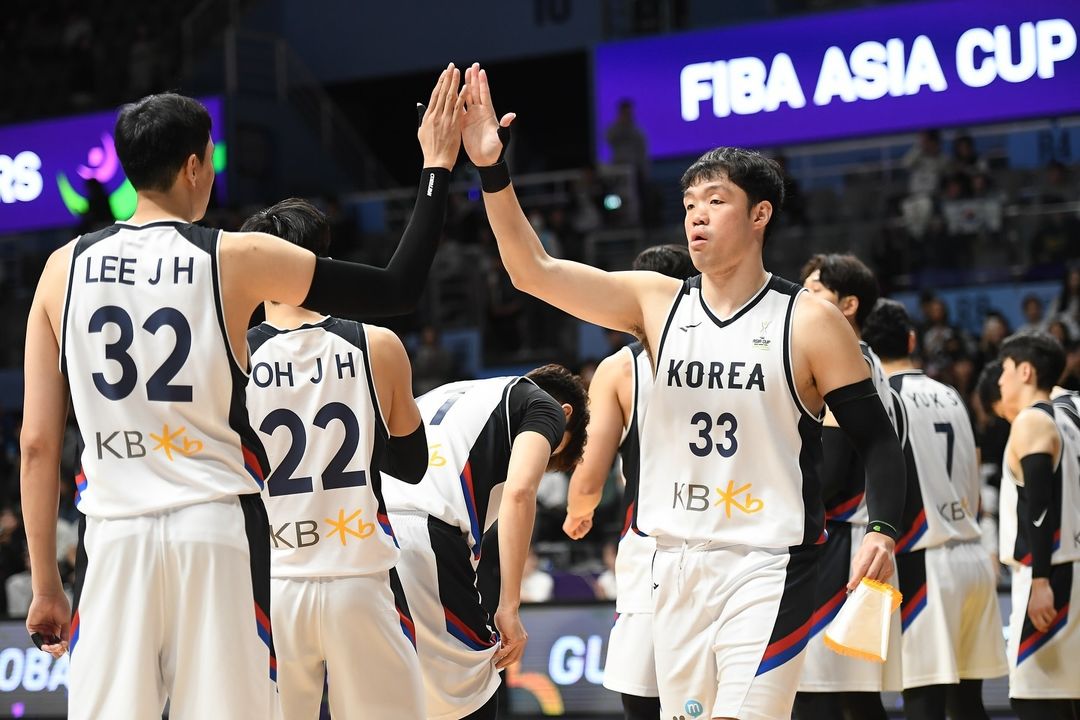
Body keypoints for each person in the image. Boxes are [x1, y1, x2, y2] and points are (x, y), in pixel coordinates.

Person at [458, 62, 905, 720]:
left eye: (715, 201)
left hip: (770, 563)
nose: (696, 216)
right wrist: (492, 169)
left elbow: (876, 440)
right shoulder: (655, 303)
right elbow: (533, 271)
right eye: (689, 204)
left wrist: (884, 529)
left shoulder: (810, 321)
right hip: (675, 565)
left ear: (760, 214)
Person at [20, 65, 463, 719]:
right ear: (197, 165)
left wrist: (46, 586)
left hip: (114, 537)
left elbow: (35, 444)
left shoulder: (62, 269)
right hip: (215, 530)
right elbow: (397, 288)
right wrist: (437, 168)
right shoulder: (235, 257)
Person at [241, 198, 428, 718]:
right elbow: (412, 464)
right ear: (322, 262)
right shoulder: (378, 344)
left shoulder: (233, 356)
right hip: (359, 577)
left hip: (272, 583)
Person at [383, 365, 588, 720]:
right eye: (553, 451)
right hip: (424, 536)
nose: (545, 459)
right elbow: (521, 493)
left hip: (368, 531)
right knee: (474, 689)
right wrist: (509, 605)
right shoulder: (544, 406)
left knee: (400, 693)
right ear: (564, 413)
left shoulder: (450, 390)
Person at [562, 243, 696, 720]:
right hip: (734, 533)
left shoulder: (622, 368)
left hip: (656, 540)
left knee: (644, 694)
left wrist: (579, 509)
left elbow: (590, 473)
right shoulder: (741, 355)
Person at [863, 300, 1007, 720]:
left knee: (923, 699)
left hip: (925, 559)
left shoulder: (884, 399)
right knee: (968, 704)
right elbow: (974, 475)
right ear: (912, 340)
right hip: (972, 553)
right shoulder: (953, 395)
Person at [794, 255, 900, 720]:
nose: (804, 298)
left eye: (816, 290)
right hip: (859, 537)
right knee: (856, 697)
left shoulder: (845, 360)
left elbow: (834, 471)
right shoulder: (873, 362)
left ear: (849, 305)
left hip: (839, 540)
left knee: (812, 690)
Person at [980, 333, 1080, 720]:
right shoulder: (1069, 412)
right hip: (1068, 564)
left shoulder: (1033, 420)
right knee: (1065, 697)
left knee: (1033, 699)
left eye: (1005, 370)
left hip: (1050, 572)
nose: (1000, 380)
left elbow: (1038, 505)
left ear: (1025, 371)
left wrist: (1040, 581)